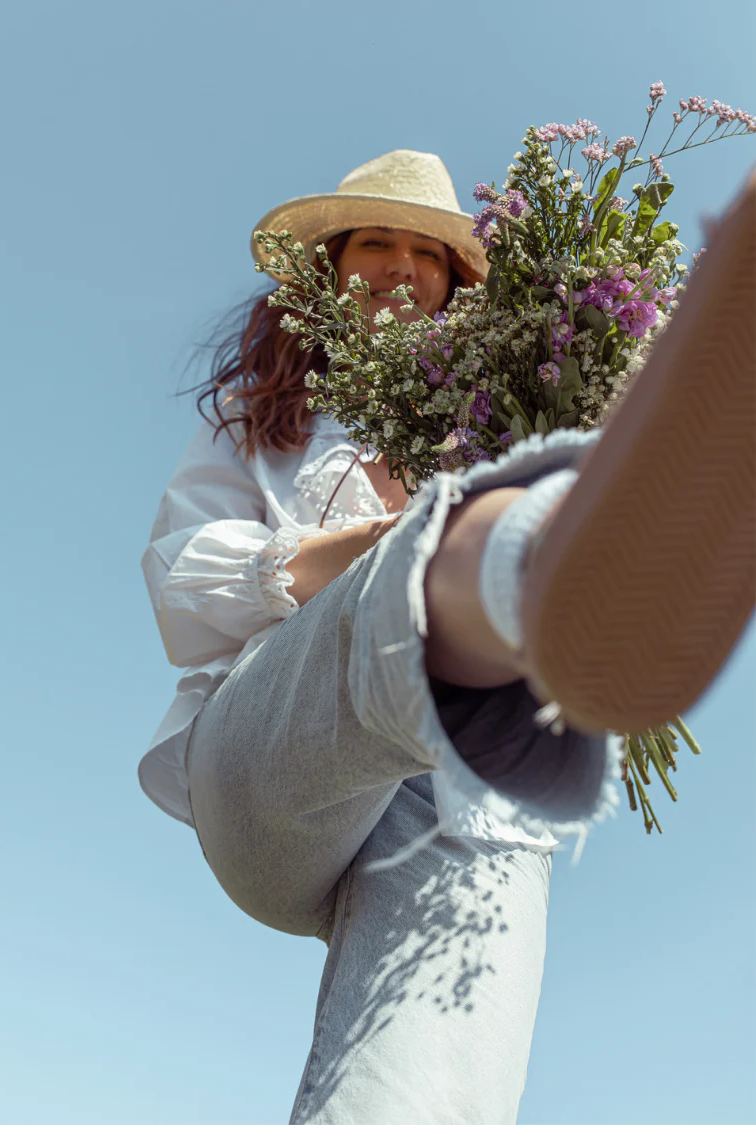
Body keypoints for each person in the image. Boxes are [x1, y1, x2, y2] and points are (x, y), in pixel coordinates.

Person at [139, 150, 755, 1124]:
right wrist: (374, 548)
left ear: (456, 282)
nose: (396, 265)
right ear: (329, 268)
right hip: (269, 764)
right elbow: (180, 574)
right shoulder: (269, 423)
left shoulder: (487, 412)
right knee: (437, 556)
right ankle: (525, 560)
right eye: (372, 242)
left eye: (424, 252)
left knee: (435, 1047)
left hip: (445, 782)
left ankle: (541, 572)